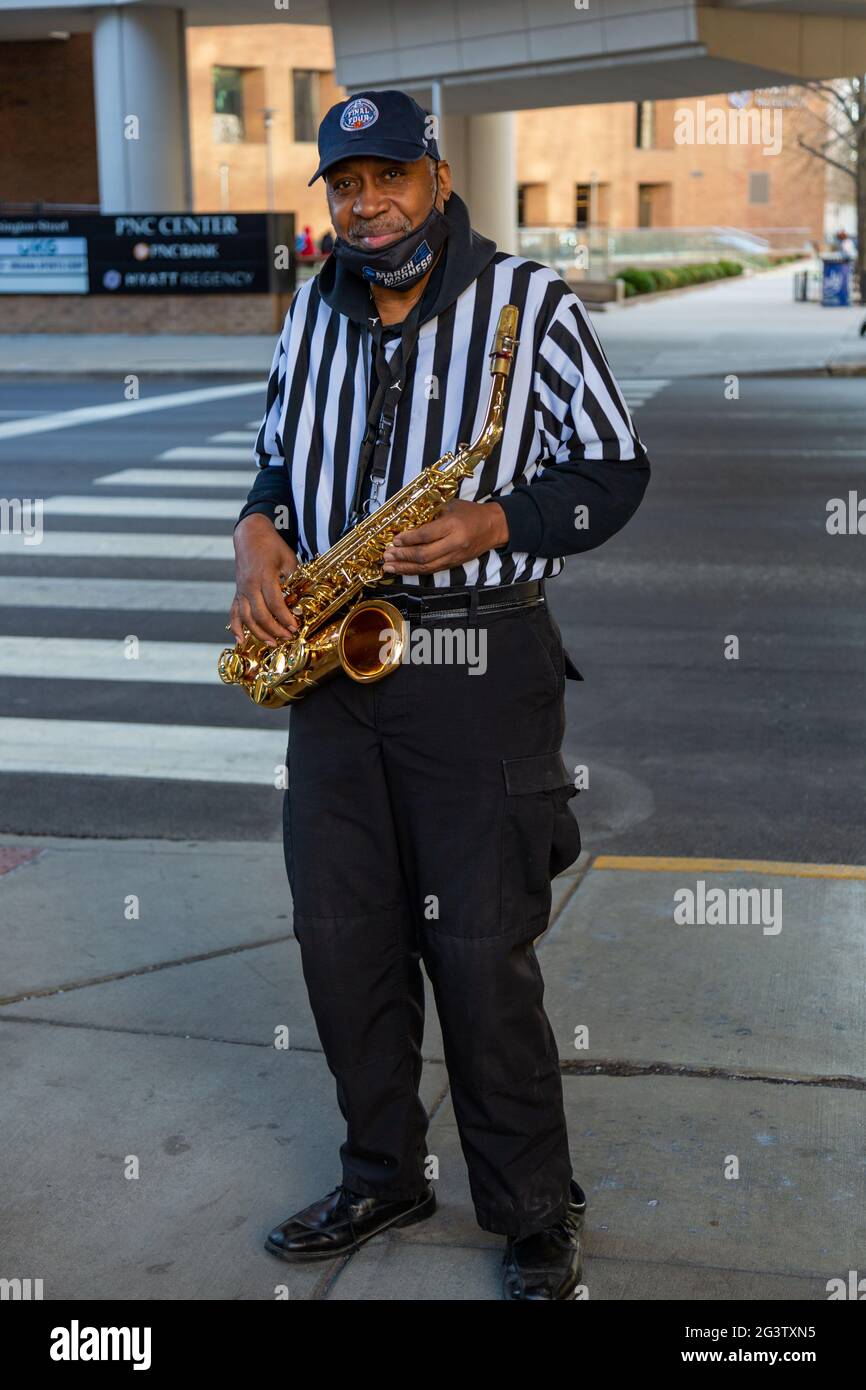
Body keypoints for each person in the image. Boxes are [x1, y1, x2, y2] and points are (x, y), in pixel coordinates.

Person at [229, 88, 651, 1301]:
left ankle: (527, 1208)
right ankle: (381, 1172)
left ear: (435, 174)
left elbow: (614, 469)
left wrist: (496, 517)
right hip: (335, 665)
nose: (366, 205)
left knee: (476, 954)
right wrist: (257, 538)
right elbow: (275, 456)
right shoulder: (315, 302)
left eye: (386, 180)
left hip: (477, 670)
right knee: (340, 942)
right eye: (344, 186)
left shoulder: (529, 305)